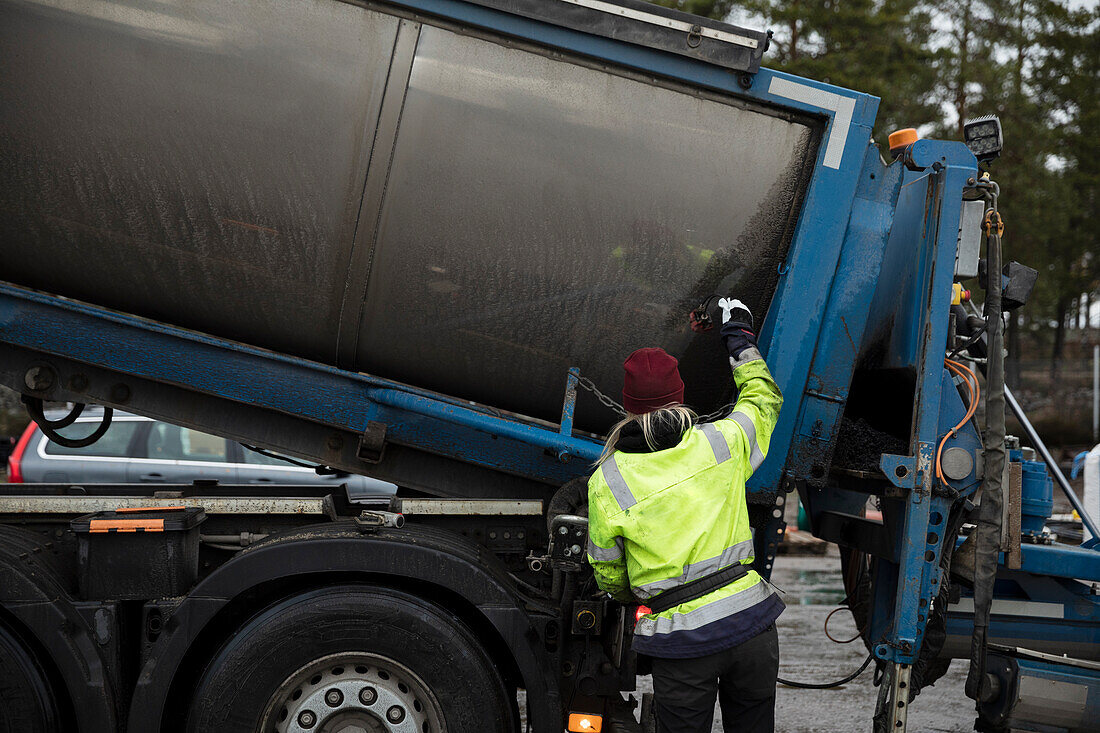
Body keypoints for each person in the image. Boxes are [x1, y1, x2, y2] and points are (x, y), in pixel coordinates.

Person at [586, 297, 784, 733]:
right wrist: (739, 338)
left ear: (628, 405)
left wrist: (633, 597)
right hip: (752, 627)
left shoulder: (609, 480)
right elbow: (764, 398)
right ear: (680, 395)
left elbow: (608, 572)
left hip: (682, 643)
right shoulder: (723, 443)